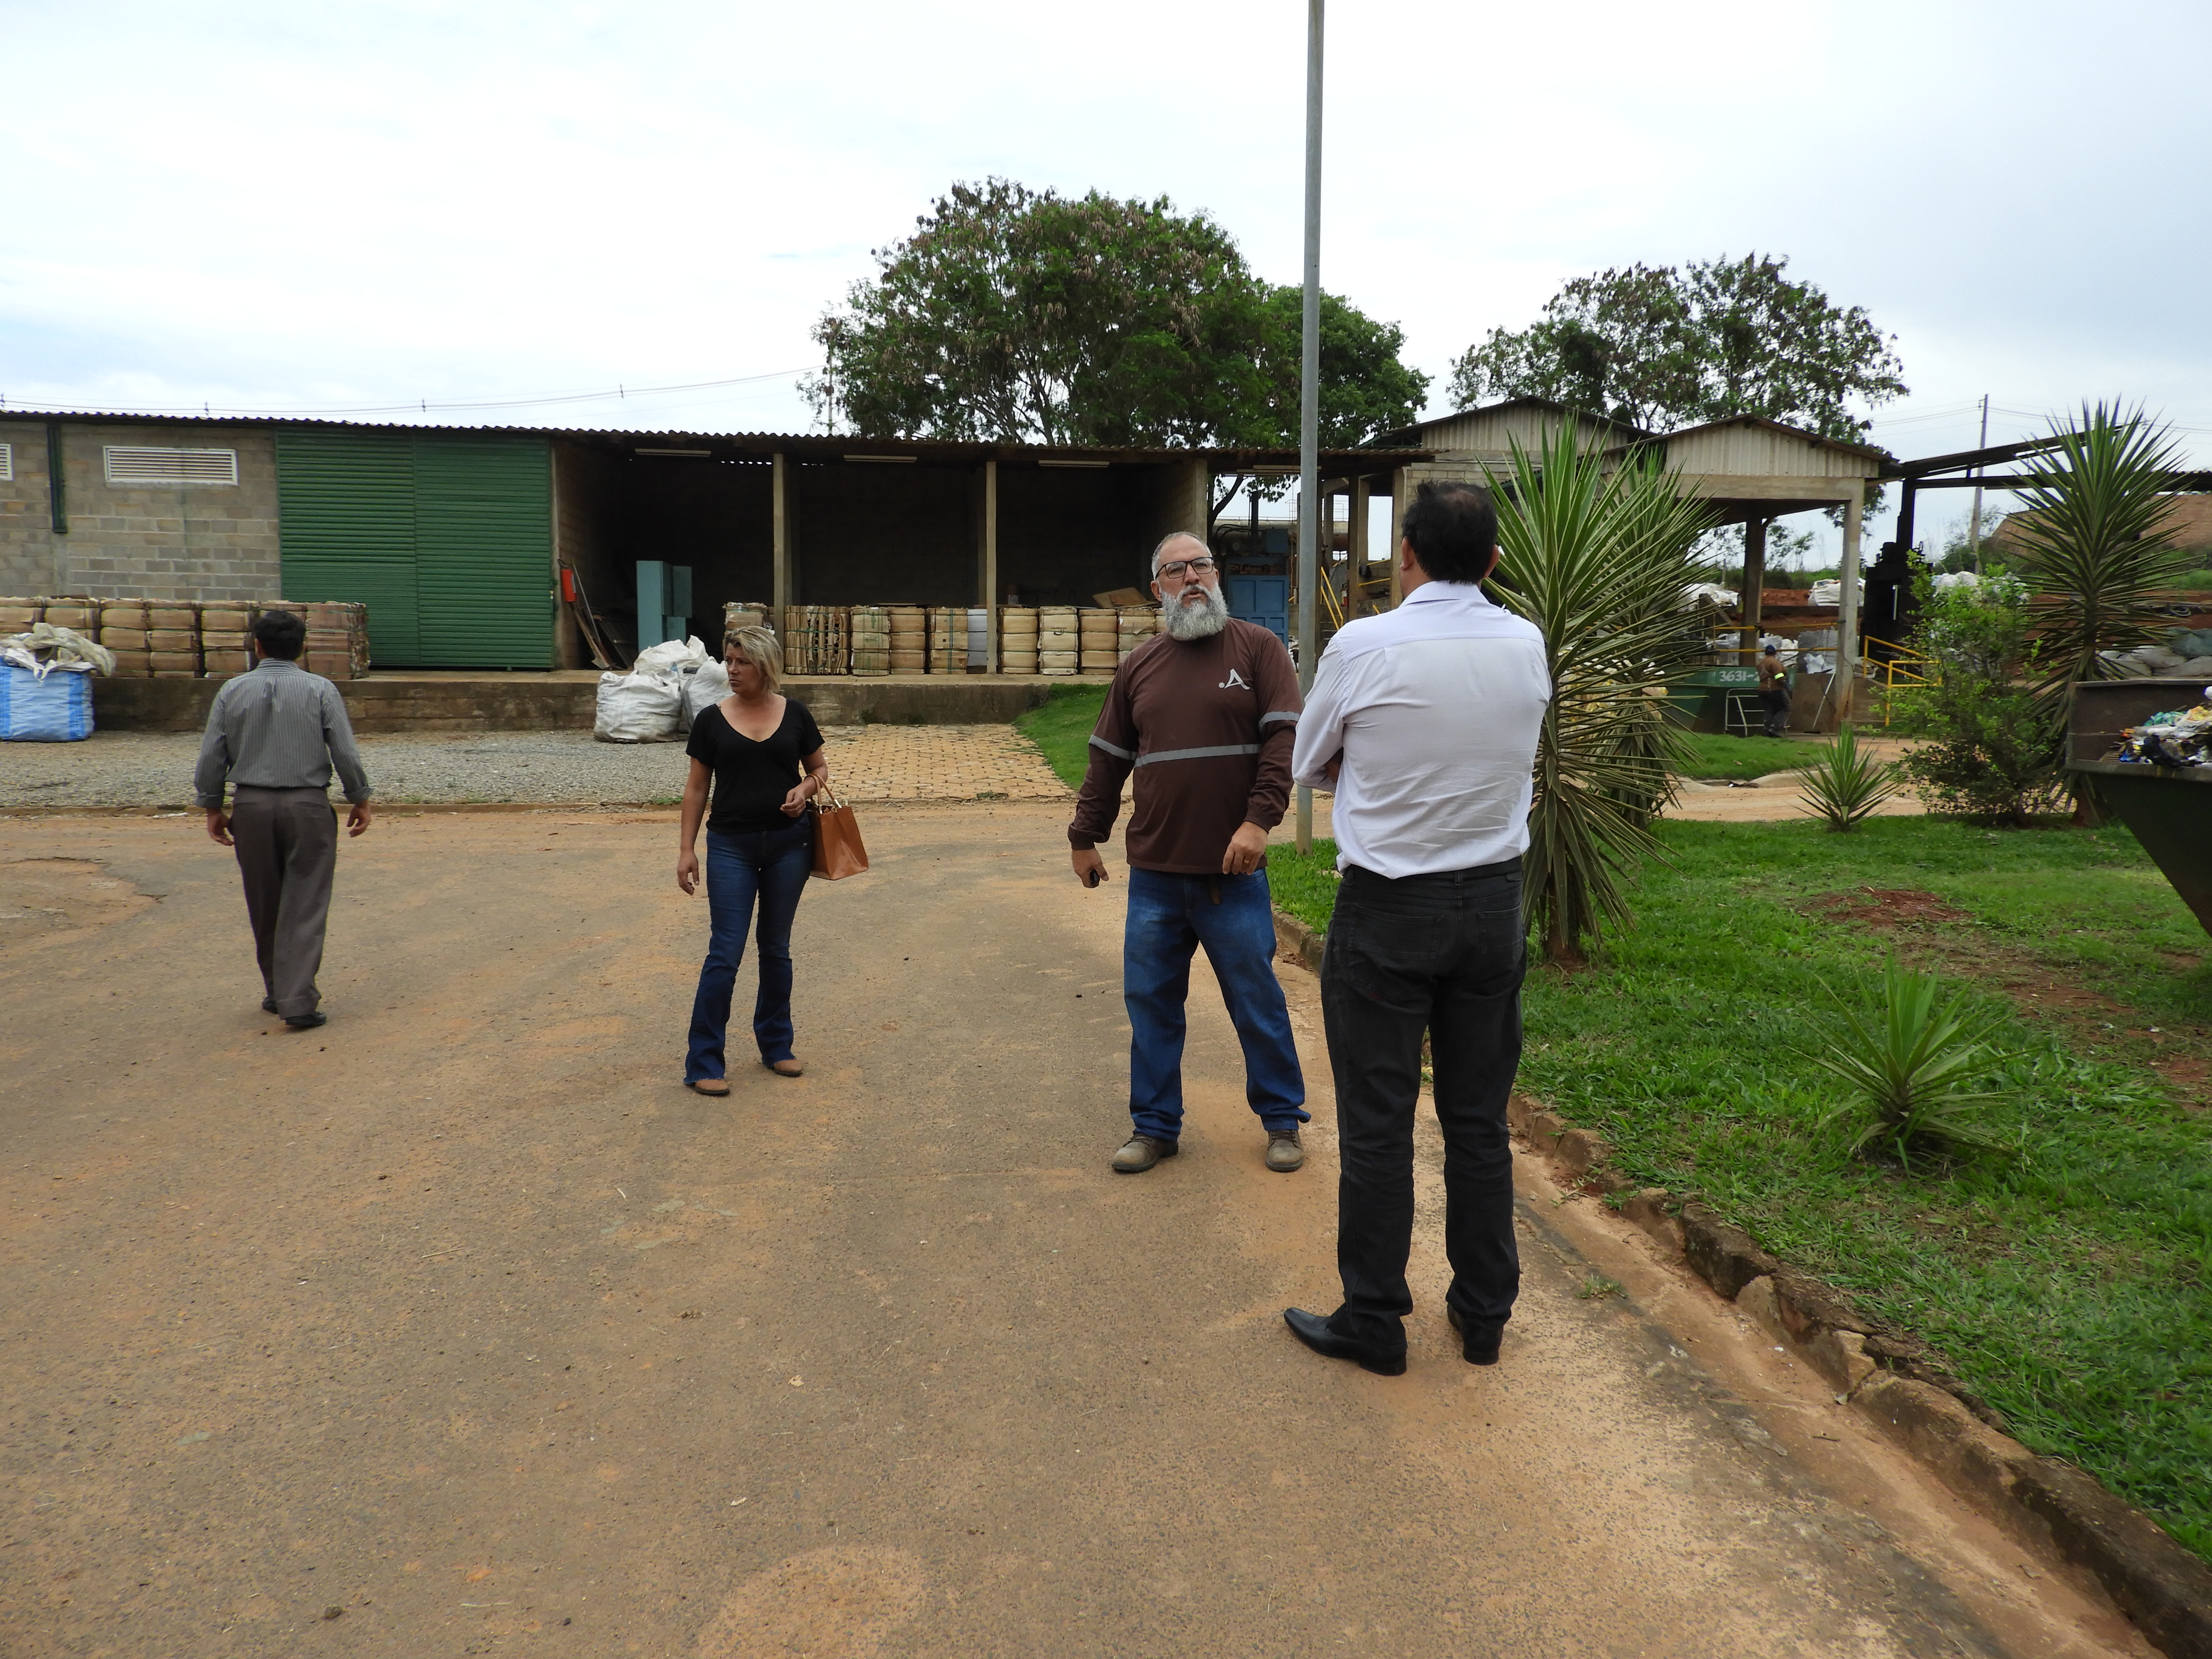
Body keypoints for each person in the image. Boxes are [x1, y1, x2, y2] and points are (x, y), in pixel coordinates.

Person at [1281, 481, 1550, 1376]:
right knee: (1477, 1121)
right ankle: (1483, 1312)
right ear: (1494, 561)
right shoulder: (1525, 643)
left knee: (1378, 1123)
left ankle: (1375, 1319)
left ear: (1406, 557)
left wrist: (1373, 773)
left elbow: (1309, 762)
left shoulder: (1364, 645)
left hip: (1389, 908)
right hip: (1493, 906)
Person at [1069, 531, 1309, 1174]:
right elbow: (1108, 759)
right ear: (1159, 590)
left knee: (1256, 1004)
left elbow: (1283, 744)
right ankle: (1154, 1128)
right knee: (1151, 1006)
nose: (1193, 578)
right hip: (1155, 877)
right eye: (1177, 571)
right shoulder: (1139, 667)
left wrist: (1259, 822)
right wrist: (1084, 836)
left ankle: (1283, 1121)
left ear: (1216, 574)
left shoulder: (1258, 650)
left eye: (1202, 565)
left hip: (1234, 877)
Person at [193, 608, 374, 1031]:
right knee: (305, 901)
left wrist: (213, 806)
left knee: (265, 901)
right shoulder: (321, 690)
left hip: (251, 807)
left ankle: (278, 991)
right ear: (302, 647)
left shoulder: (232, 691)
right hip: (307, 806)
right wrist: (359, 797)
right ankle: (298, 1000)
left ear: (257, 647)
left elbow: (212, 754)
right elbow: (344, 751)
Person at [677, 625, 828, 1094]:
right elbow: (696, 788)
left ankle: (777, 1045)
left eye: (742, 662)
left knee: (776, 948)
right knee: (725, 953)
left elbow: (819, 768)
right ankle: (704, 1061)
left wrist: (805, 789)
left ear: (765, 665)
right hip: (730, 847)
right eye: (729, 660)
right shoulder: (711, 720)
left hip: (789, 845)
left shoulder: (796, 713)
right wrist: (686, 850)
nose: (732, 670)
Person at [1757, 644, 1791, 737]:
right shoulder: (1775, 663)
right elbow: (1779, 676)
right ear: (1775, 653)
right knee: (1785, 708)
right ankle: (1774, 728)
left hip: (1762, 690)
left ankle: (1766, 730)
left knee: (1769, 710)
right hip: (1774, 689)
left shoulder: (1761, 663)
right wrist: (1787, 687)